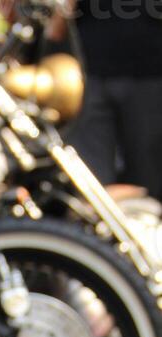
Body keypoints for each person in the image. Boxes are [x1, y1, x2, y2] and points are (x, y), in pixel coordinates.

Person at [62, 0, 162, 200]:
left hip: (150, 75)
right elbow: (58, 22)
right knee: (89, 182)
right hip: (88, 76)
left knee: (150, 177)